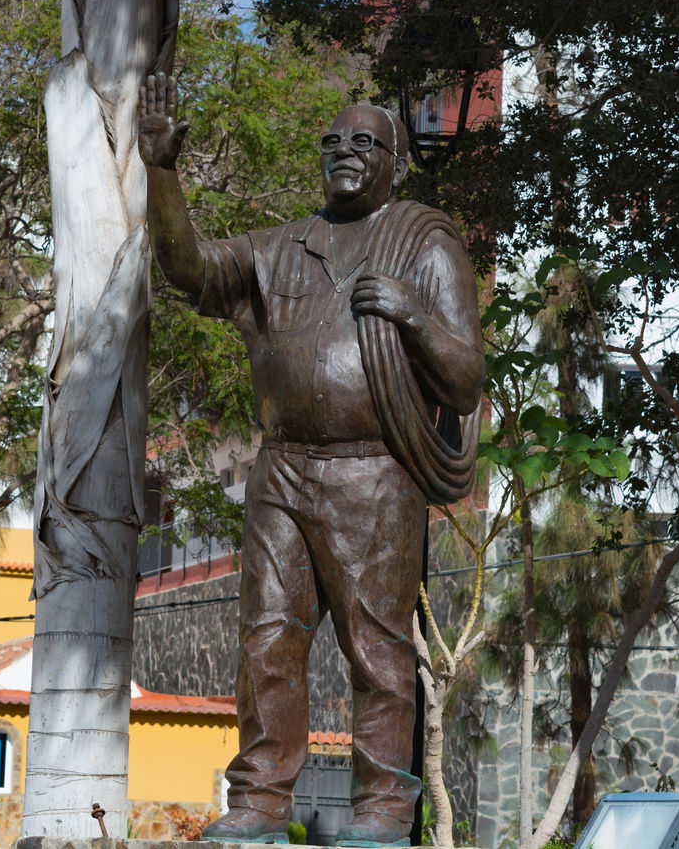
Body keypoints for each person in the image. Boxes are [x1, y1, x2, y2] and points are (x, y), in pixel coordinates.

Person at [138, 73, 485, 848]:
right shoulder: (278, 248)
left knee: (377, 648)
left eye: (365, 141)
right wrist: (161, 173)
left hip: (375, 471)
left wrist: (411, 313)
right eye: (333, 143)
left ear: (395, 159)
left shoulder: (424, 243)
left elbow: (465, 378)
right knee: (267, 637)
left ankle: (384, 810)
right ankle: (260, 801)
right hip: (282, 471)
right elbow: (188, 267)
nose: (346, 153)